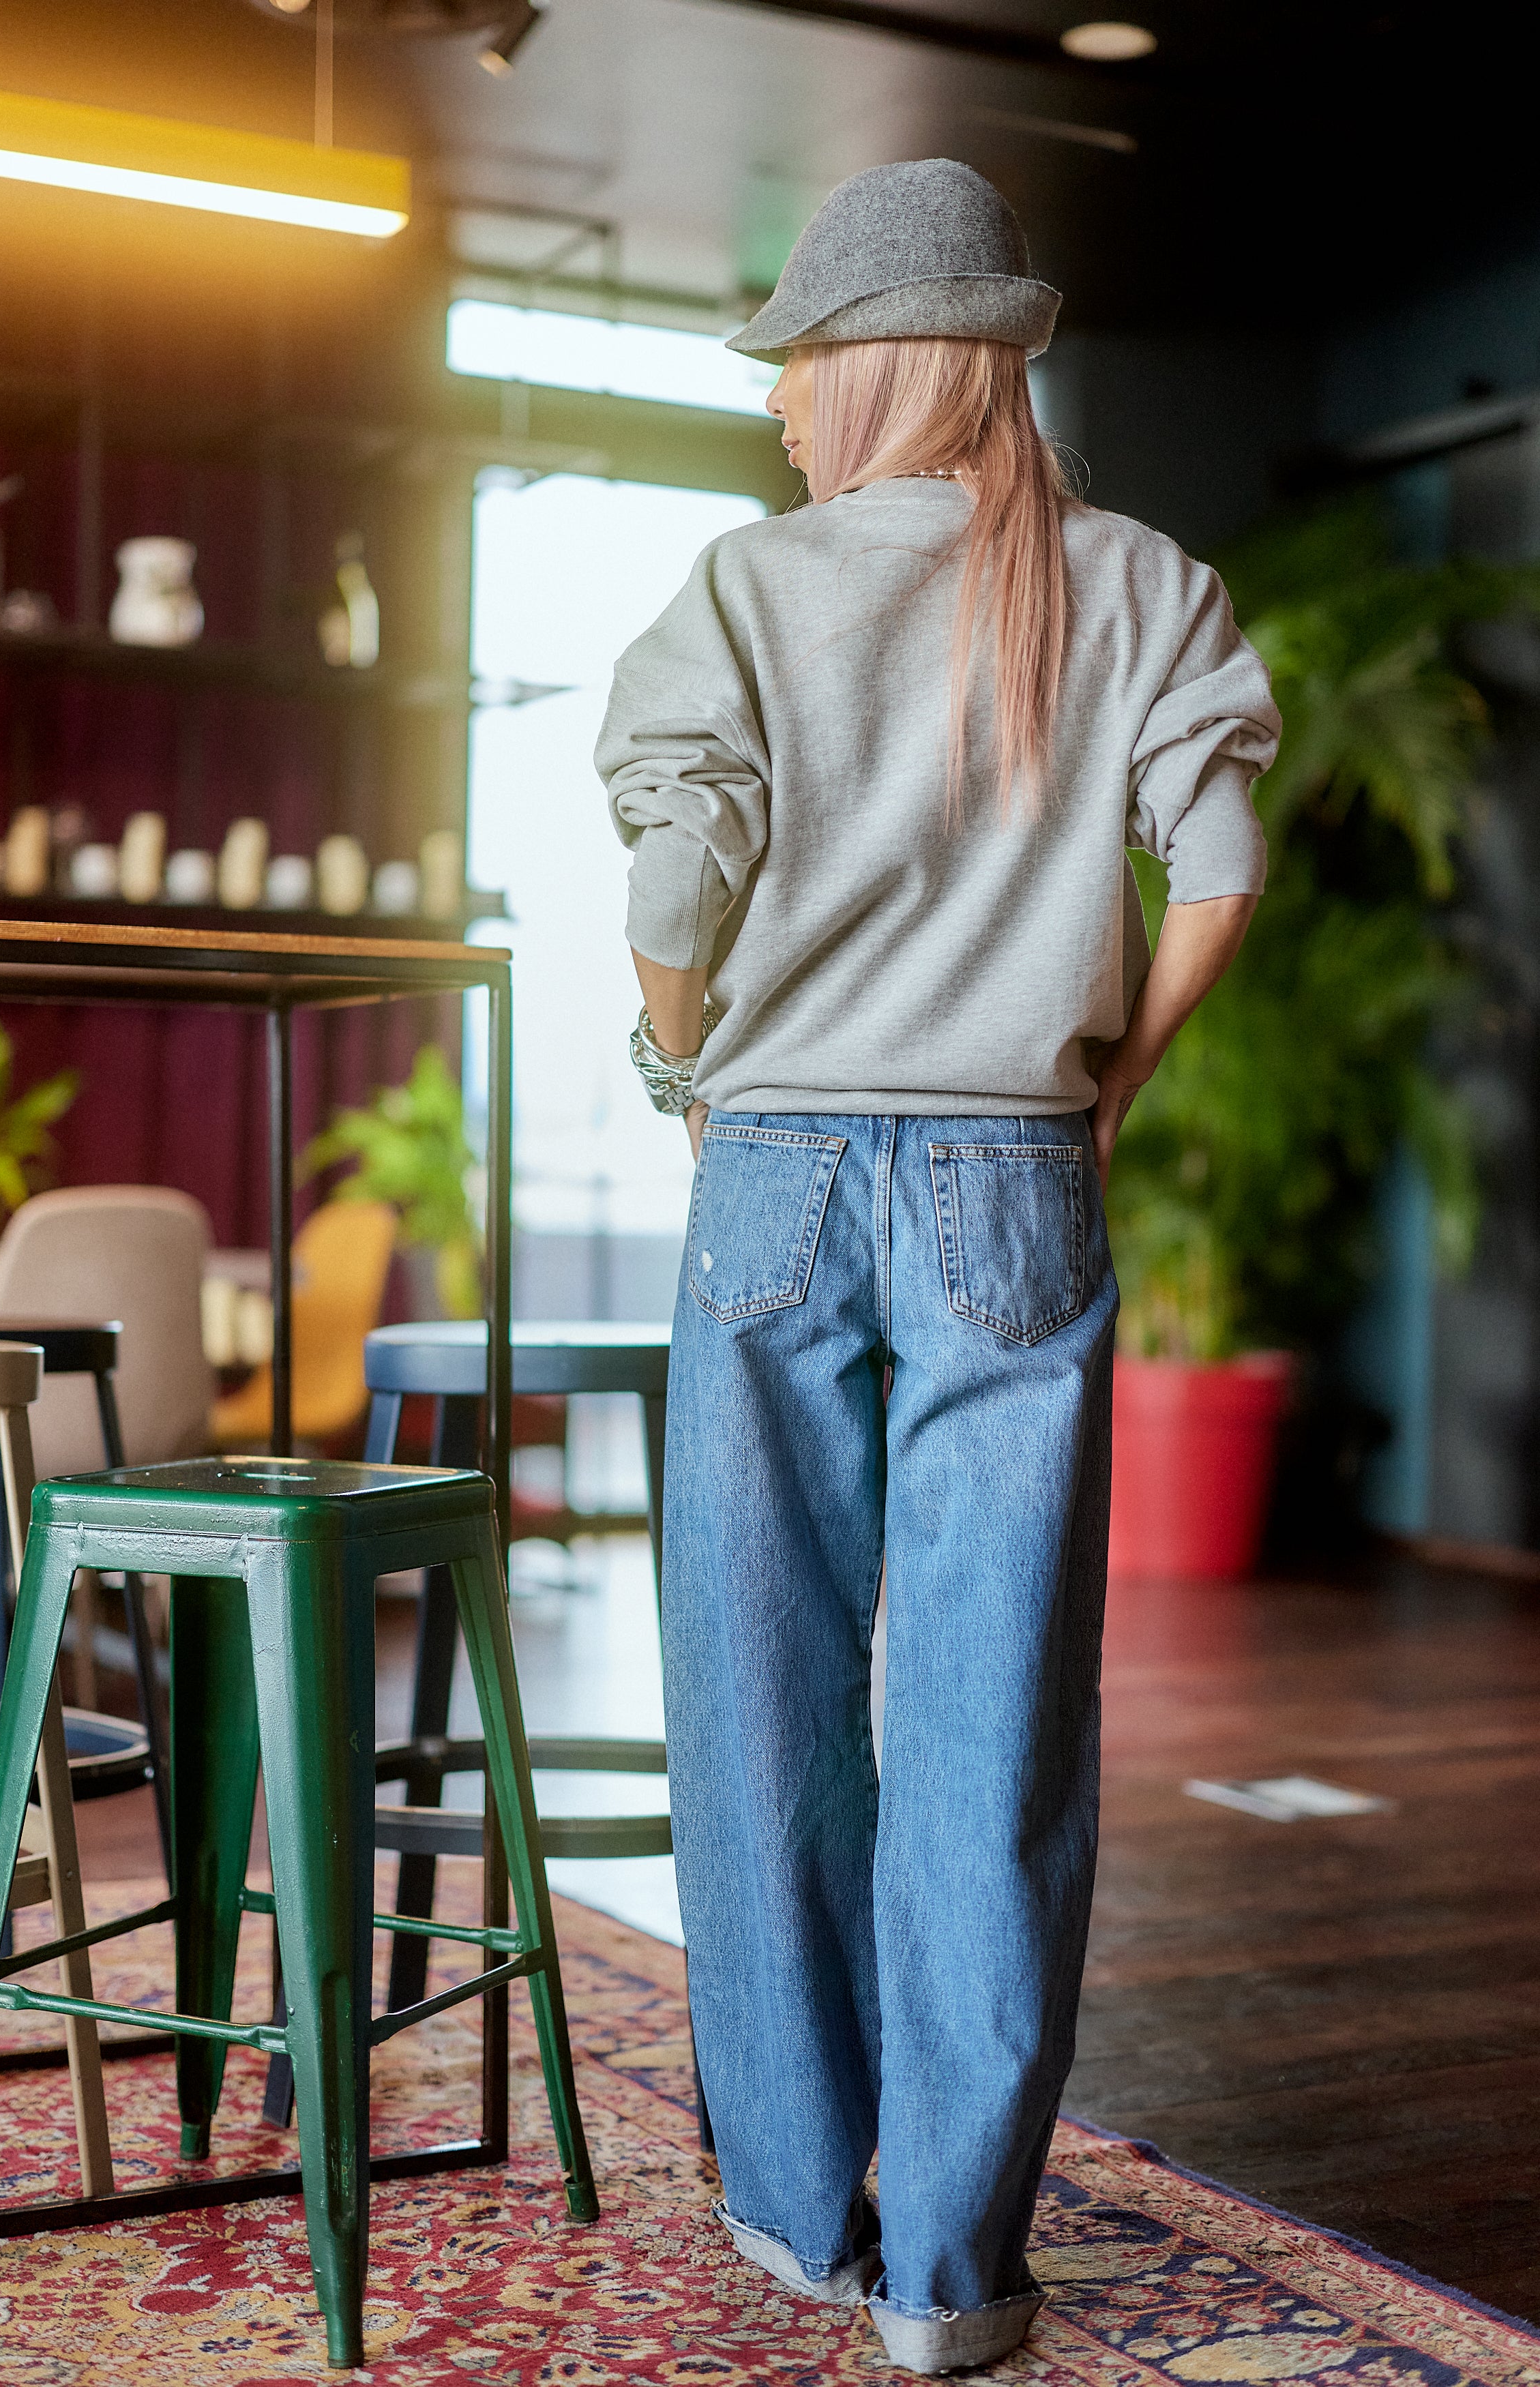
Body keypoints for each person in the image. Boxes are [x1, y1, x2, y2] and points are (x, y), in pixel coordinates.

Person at [595, 158, 1279, 2377]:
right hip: (1018, 1178)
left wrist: (681, 1064)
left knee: (763, 1703)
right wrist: (1111, 1087)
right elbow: (1223, 868)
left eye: (797, 363)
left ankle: (804, 2213)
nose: (780, 405)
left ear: (874, 368)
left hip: (775, 1172)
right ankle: (955, 2278)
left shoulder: (749, 586)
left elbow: (674, 894)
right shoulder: (1140, 584)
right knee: (998, 1733)